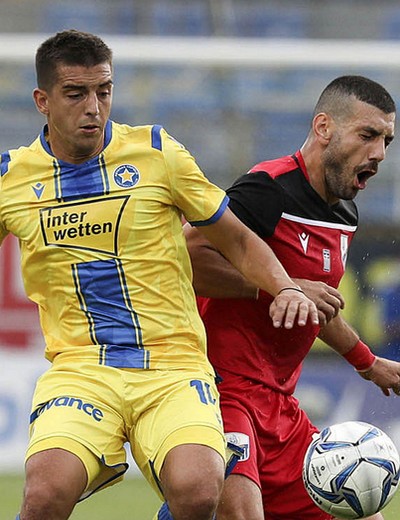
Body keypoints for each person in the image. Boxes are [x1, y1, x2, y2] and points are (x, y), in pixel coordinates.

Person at [0, 30, 320, 520]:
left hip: (172, 364)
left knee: (199, 489)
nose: (93, 107)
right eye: (76, 93)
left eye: (104, 91)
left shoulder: (156, 153)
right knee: (44, 494)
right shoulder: (11, 179)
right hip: (82, 368)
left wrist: (285, 287)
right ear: (43, 101)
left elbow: (235, 239)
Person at [182, 75, 400, 520]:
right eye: (367, 135)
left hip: (280, 407)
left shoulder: (345, 214)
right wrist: (283, 286)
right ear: (324, 127)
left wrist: (368, 363)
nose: (379, 153)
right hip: (221, 391)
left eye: (386, 140)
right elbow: (185, 260)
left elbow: (317, 306)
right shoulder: (269, 187)